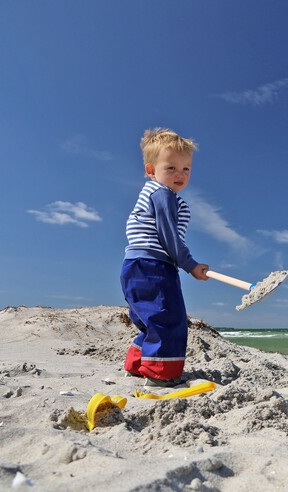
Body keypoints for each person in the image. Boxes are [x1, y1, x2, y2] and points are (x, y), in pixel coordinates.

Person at [120, 127, 209, 387]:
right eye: (171, 168)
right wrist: (190, 265)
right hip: (153, 267)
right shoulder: (163, 195)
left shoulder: (149, 194)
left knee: (151, 320)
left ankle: (137, 365)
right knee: (169, 317)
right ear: (151, 171)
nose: (179, 175)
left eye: (186, 169)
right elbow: (169, 237)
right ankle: (161, 376)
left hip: (134, 267)